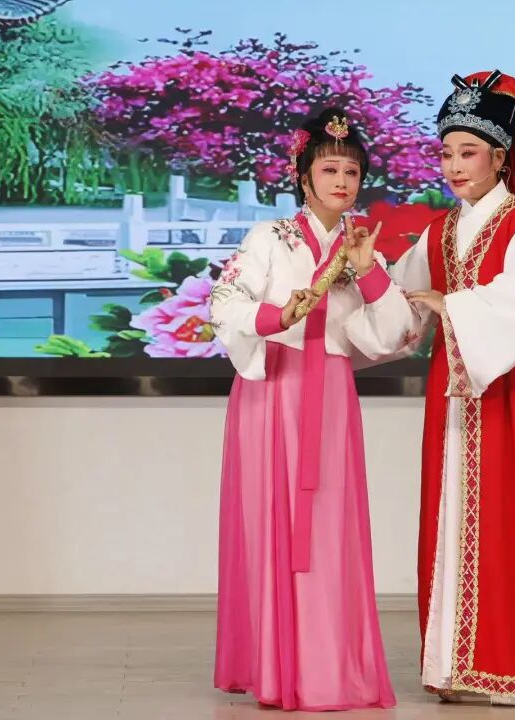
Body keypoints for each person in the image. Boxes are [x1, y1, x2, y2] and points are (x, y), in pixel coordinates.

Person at [346, 70, 515, 707]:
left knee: (509, 521)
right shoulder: (441, 230)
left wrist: (449, 303)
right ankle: (454, 665)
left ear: (500, 157)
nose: (454, 166)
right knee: (451, 518)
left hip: (513, 388)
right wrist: (368, 272)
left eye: (469, 152)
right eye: (446, 153)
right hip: (456, 390)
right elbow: (403, 309)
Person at [209, 107, 399, 712]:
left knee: (330, 530)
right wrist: (275, 316)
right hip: (272, 390)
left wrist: (368, 276)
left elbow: (395, 333)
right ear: (303, 176)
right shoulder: (270, 237)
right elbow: (223, 300)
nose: (341, 181)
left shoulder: (361, 248)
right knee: (271, 525)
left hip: (332, 395)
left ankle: (326, 669)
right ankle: (274, 667)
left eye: (351, 171)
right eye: (329, 169)